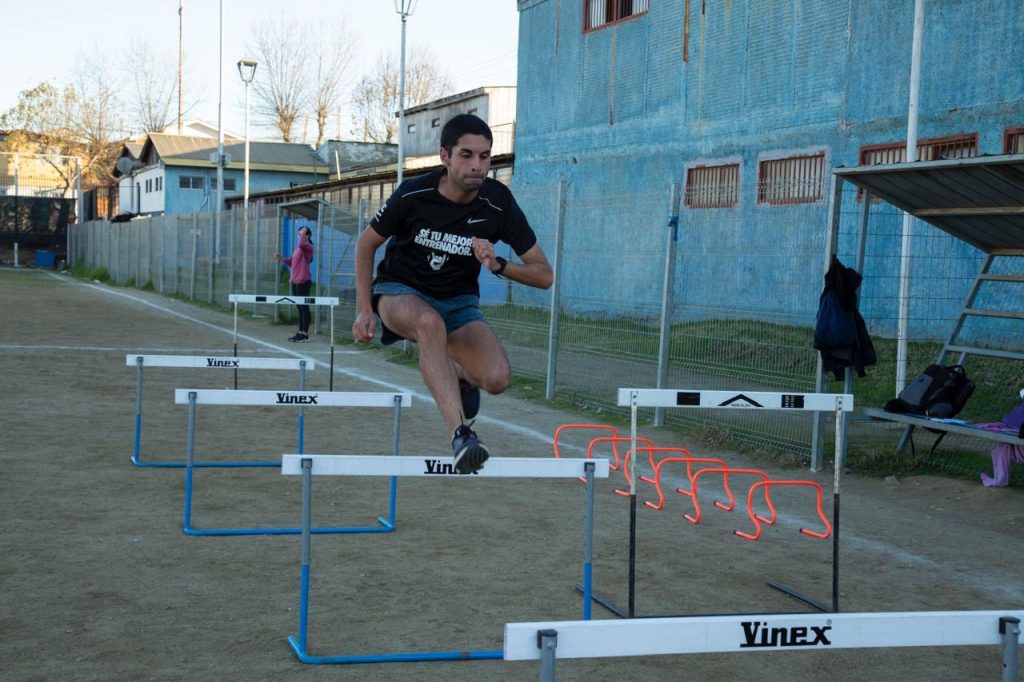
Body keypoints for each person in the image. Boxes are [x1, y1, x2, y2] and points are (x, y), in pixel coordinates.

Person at [352, 114, 553, 474]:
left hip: (458, 302)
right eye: (467, 155)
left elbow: (544, 275)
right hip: (399, 291)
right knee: (429, 323)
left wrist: (499, 266)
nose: (477, 166)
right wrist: (364, 308)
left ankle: (458, 372)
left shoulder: (498, 202)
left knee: (496, 379)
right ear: (445, 156)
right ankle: (461, 435)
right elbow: (366, 244)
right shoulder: (414, 194)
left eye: (485, 156)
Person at [275, 225, 315, 343]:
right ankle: (300, 332)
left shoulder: (308, 247)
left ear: (307, 235)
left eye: (301, 234)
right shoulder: (297, 248)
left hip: (303, 281)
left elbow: (303, 244)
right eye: (298, 234)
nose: (299, 236)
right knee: (299, 307)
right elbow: (291, 262)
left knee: (304, 307)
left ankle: (305, 334)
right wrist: (281, 258)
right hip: (295, 281)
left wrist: (303, 234)